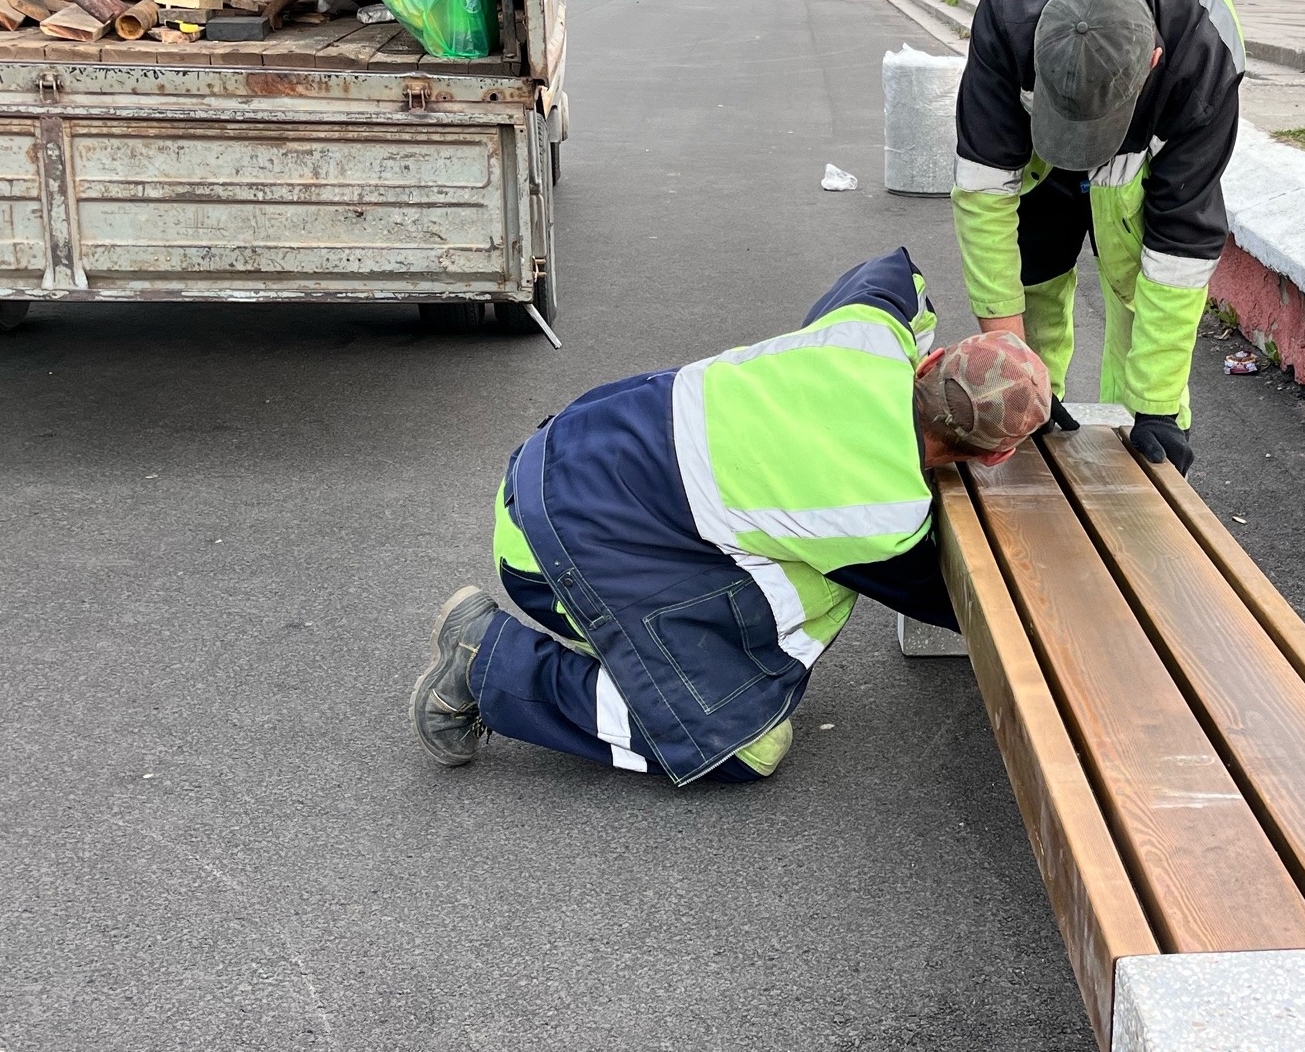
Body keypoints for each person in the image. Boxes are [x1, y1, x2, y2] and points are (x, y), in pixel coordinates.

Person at [410, 251, 1049, 785]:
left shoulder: (869, 339)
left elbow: (897, 275)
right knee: (742, 744)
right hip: (552, 560)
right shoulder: (887, 519)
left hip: (555, 460)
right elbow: (965, 605)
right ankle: (489, 663)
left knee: (751, 555)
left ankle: (617, 654)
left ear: (933, 363)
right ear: (995, 455)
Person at [949, 0, 1244, 476]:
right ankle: (1032, 423)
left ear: (1152, 62)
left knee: (1140, 293)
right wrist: (1018, 374)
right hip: (1040, 161)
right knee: (1032, 277)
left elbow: (1181, 247)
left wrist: (1156, 409)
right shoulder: (1009, 15)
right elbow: (984, 196)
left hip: (1140, 171)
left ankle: (1144, 431)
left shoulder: (1204, 58)